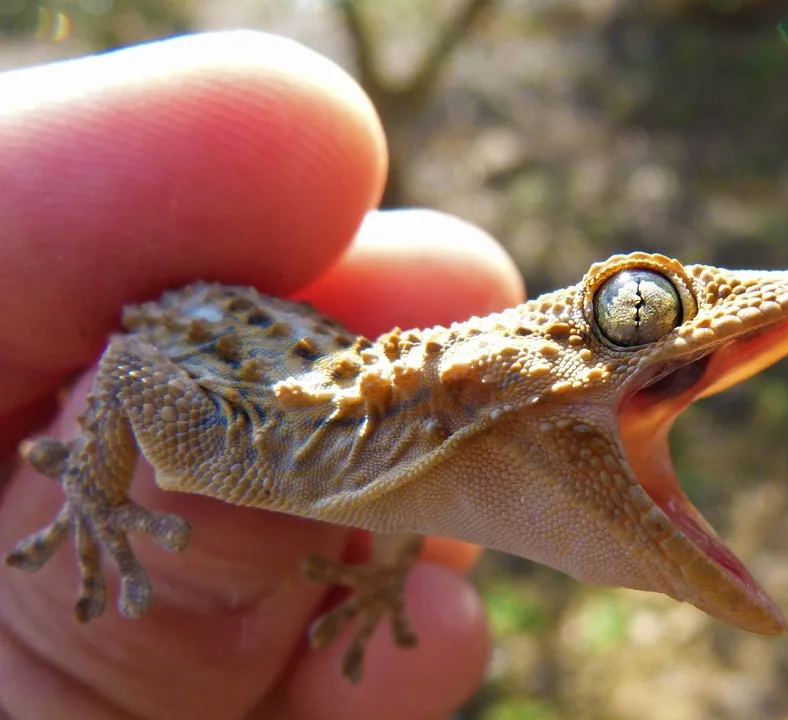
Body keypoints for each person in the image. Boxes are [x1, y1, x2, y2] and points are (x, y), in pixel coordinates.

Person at [0, 30, 524, 719]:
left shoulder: (401, 463)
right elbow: (127, 369)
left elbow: (405, 510)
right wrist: (97, 489)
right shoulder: (274, 439)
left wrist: (379, 578)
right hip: (182, 334)